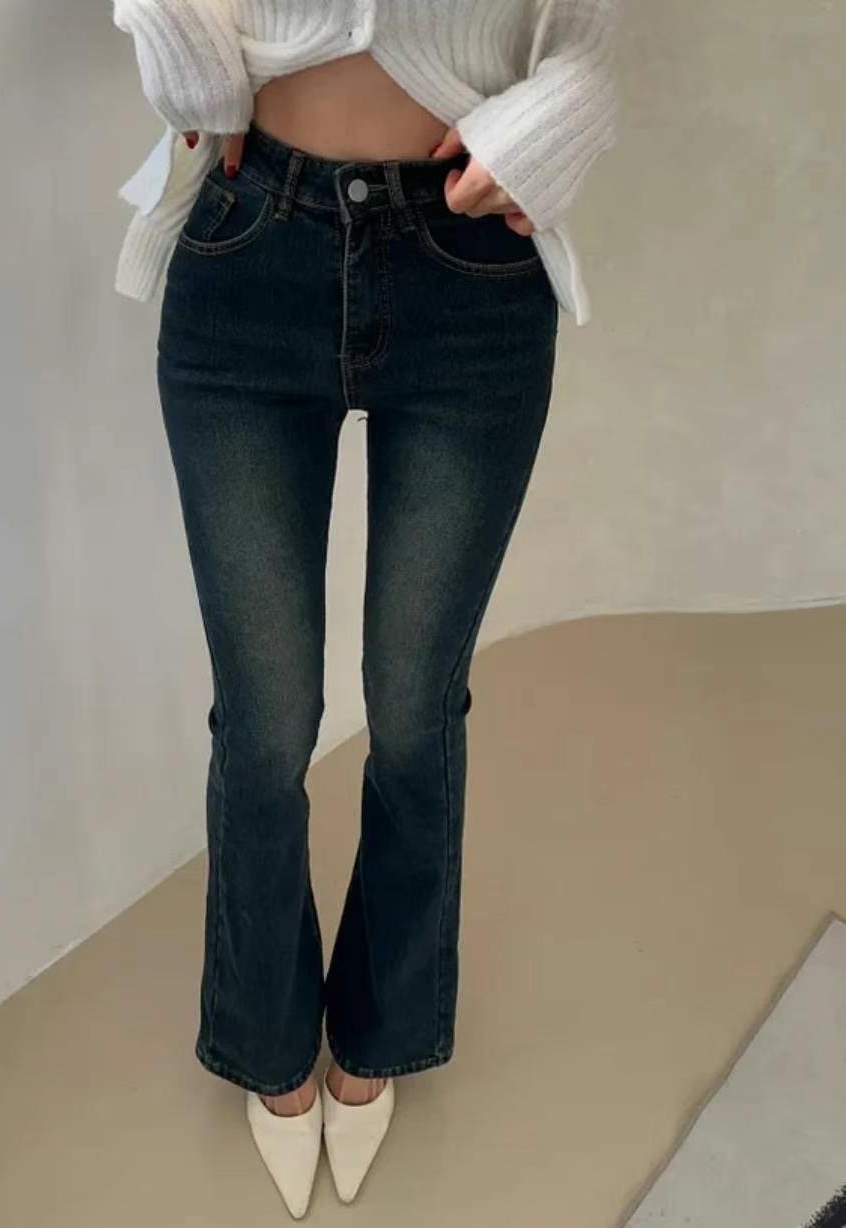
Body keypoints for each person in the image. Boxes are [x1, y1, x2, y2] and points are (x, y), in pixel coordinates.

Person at [110, 0, 621, 1217]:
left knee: (411, 706)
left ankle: (381, 1028)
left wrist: (538, 131)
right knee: (266, 717)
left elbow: (590, 51)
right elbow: (185, 73)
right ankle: (267, 1039)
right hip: (248, 251)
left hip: (469, 273)